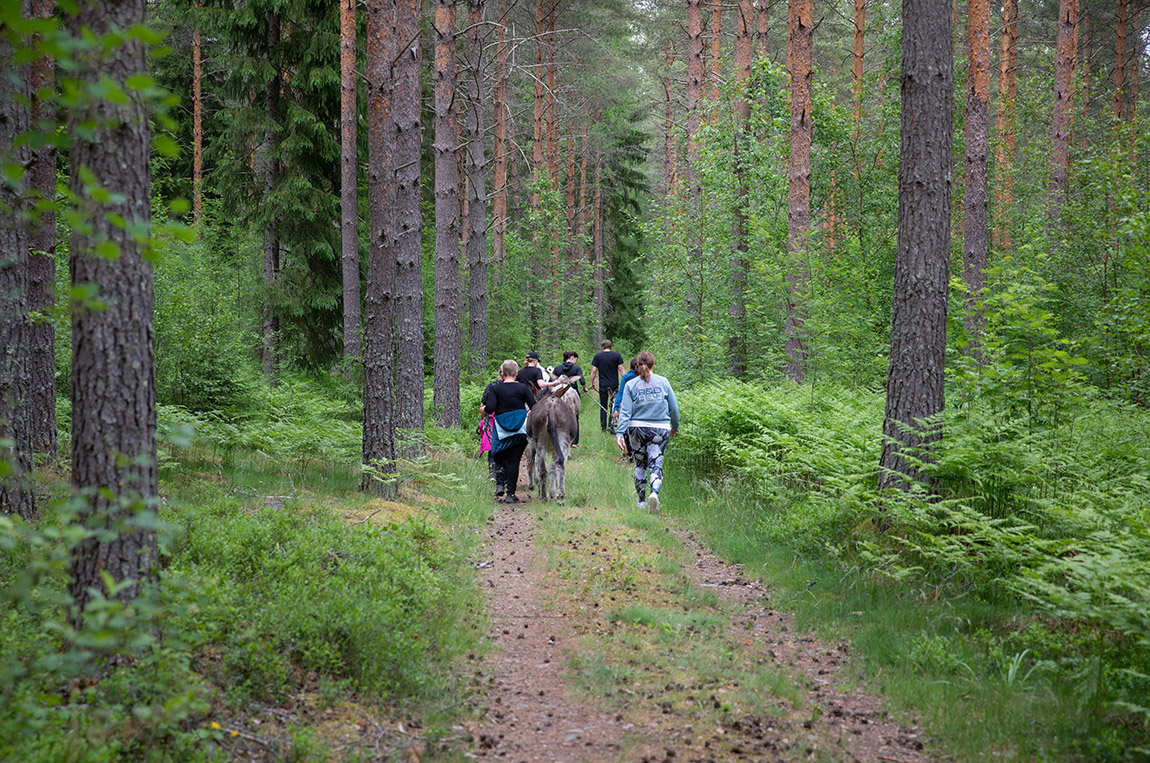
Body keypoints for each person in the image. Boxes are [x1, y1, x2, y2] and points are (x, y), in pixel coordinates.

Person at [615, 351, 679, 514]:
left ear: (637, 366)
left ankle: (642, 500)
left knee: (640, 464)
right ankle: (654, 493)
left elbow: (625, 411)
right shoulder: (663, 382)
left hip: (637, 428)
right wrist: (675, 426)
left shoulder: (631, 385)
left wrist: (620, 432)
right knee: (656, 463)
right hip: (660, 428)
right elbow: (673, 408)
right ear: (653, 364)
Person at [481, 360, 536, 504]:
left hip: (501, 429)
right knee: (514, 461)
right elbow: (533, 406)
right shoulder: (523, 388)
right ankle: (510, 494)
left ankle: (500, 485)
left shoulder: (495, 389)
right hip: (520, 430)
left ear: (502, 373)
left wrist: (483, 409)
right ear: (517, 373)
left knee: (499, 456)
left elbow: (491, 408)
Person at [589, 340, 625, 433]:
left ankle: (603, 427)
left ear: (602, 347)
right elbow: (621, 368)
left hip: (603, 385)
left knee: (603, 405)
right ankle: (611, 425)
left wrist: (591, 382)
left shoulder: (598, 356)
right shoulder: (616, 355)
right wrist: (626, 380)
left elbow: (593, 370)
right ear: (611, 347)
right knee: (613, 405)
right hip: (614, 384)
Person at [551, 351, 586, 445]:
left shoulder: (557, 368)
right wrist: (584, 388)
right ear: (571, 358)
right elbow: (582, 381)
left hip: (559, 394)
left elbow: (551, 381)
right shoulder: (577, 368)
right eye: (575, 359)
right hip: (572, 395)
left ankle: (558, 439)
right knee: (574, 417)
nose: (575, 361)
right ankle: (574, 441)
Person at [612, 357, 638, 441]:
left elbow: (620, 393)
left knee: (627, 425)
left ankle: (628, 449)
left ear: (630, 367)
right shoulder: (644, 377)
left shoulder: (626, 377)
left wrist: (616, 407)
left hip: (627, 405)